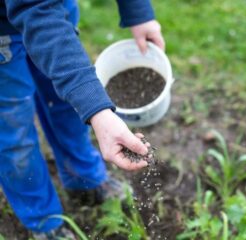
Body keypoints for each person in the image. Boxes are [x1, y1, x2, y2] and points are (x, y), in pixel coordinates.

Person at [0, 0, 165, 239]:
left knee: (67, 105)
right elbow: (35, 10)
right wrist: (98, 111)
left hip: (55, 9)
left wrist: (138, 12)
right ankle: (43, 219)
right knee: (15, 133)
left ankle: (83, 177)